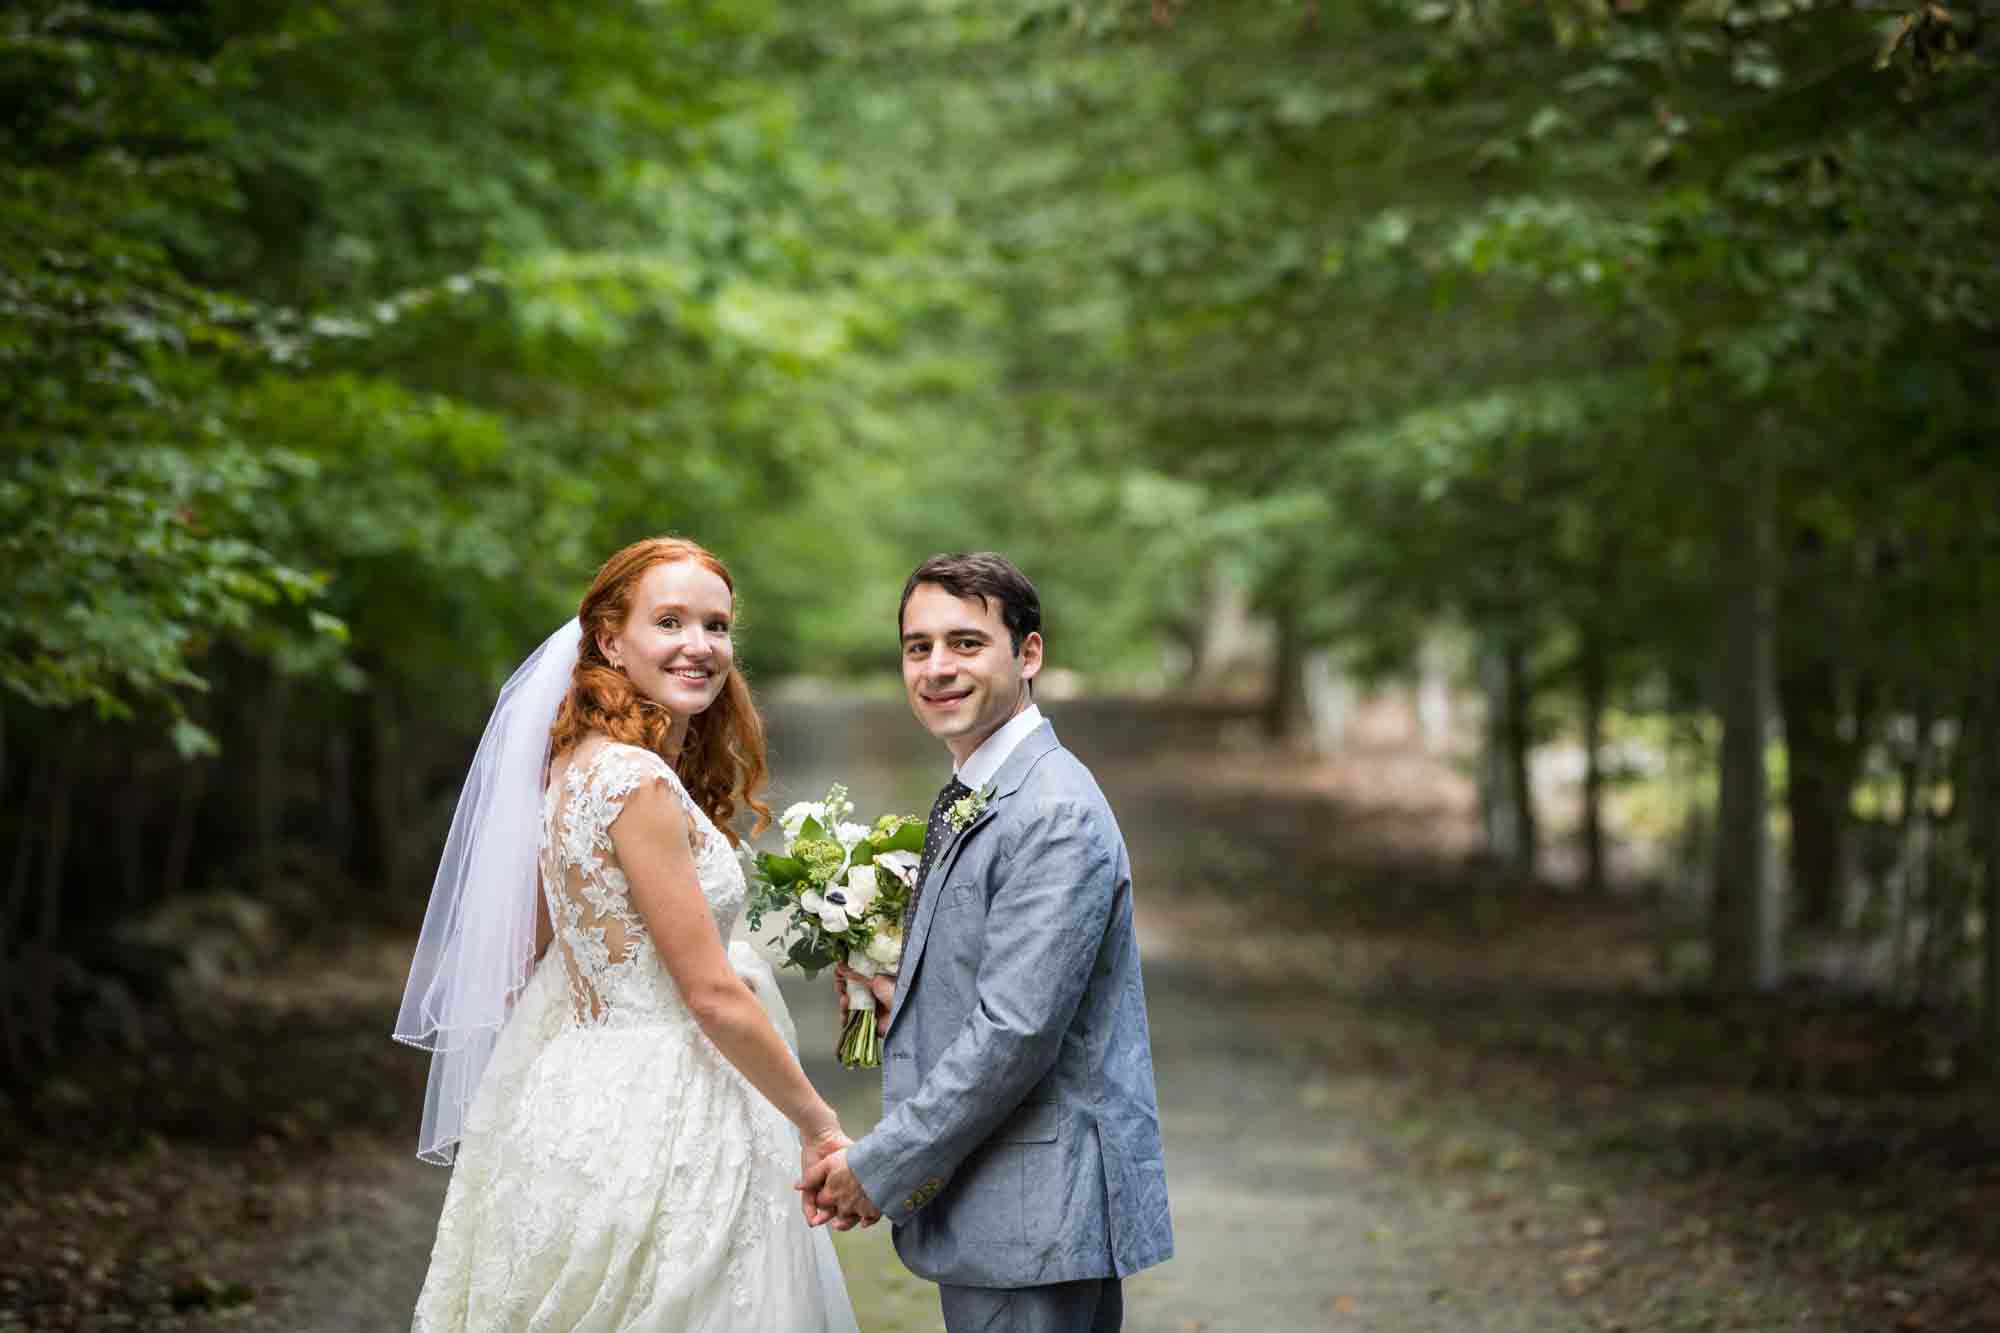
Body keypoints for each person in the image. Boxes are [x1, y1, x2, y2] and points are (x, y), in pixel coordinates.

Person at [395, 536, 858, 1332]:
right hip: (666, 1107)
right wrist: (822, 1125)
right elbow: (709, 994)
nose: (699, 645)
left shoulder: (574, 763)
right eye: (670, 621)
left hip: (577, 1092)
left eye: (716, 625)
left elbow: (543, 951)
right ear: (611, 640)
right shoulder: (636, 782)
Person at [799, 551, 1174, 1333]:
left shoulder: (1053, 809)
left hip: (1033, 1215)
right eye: (918, 646)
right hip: (1003, 1213)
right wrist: (896, 983)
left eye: (966, 643)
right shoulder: (985, 785)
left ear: (1028, 654)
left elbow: (1014, 1031)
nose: (937, 667)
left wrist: (879, 1168)